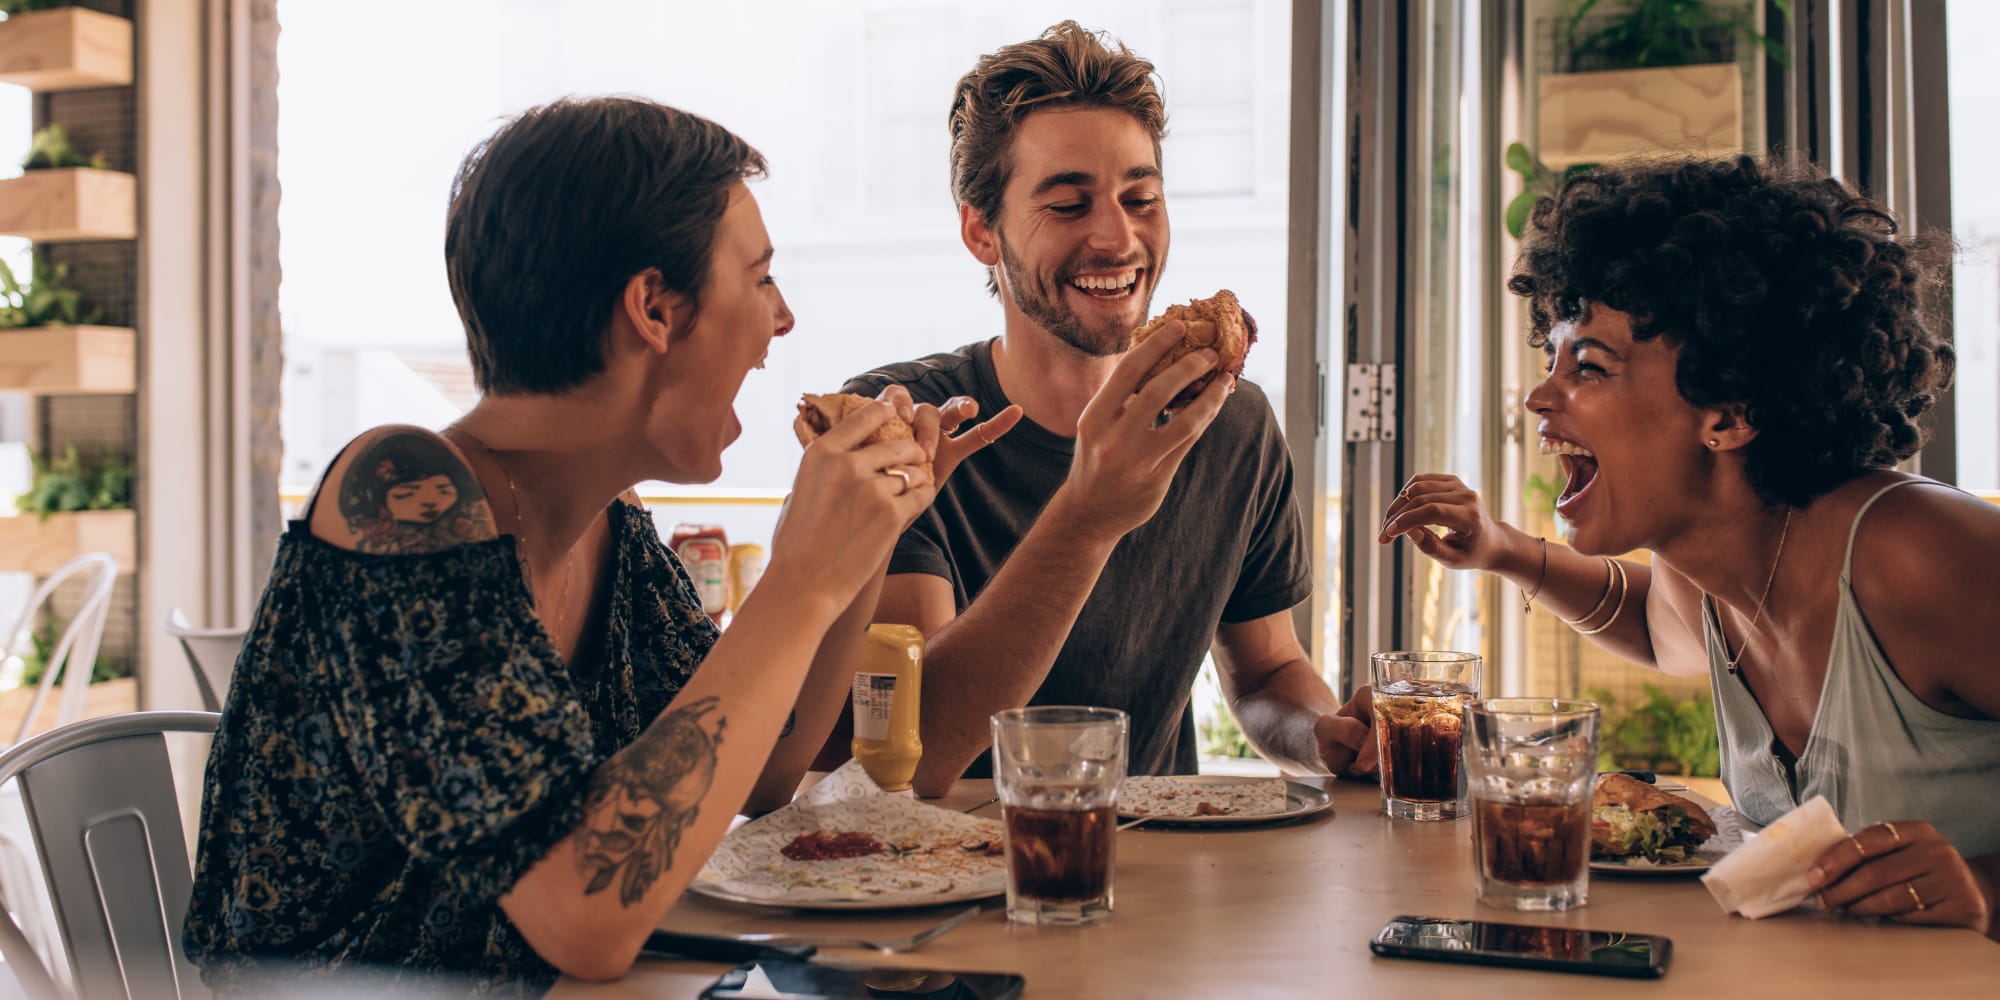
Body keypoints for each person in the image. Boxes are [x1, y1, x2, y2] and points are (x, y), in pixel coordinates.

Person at [182, 97, 1000, 995]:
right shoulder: (401, 501)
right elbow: (585, 914)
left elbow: (764, 771)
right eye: (760, 279)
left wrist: (870, 534)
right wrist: (799, 577)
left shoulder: (609, 527)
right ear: (652, 307)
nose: (784, 319)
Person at [1379, 155, 1998, 939]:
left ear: (1732, 413)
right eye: (1551, 360)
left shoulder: (1922, 555)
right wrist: (1504, 550)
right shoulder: (1707, 570)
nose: (1540, 396)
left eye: (1590, 367)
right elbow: (1651, 625)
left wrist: (1986, 887)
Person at [840, 21, 1375, 796]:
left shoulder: (1231, 422)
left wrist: (1323, 734)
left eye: (1141, 198)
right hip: (940, 877)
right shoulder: (900, 427)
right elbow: (909, 752)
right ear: (981, 231)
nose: (1118, 238)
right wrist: (1090, 512)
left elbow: (1268, 672)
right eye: (1067, 205)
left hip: (1152, 877)